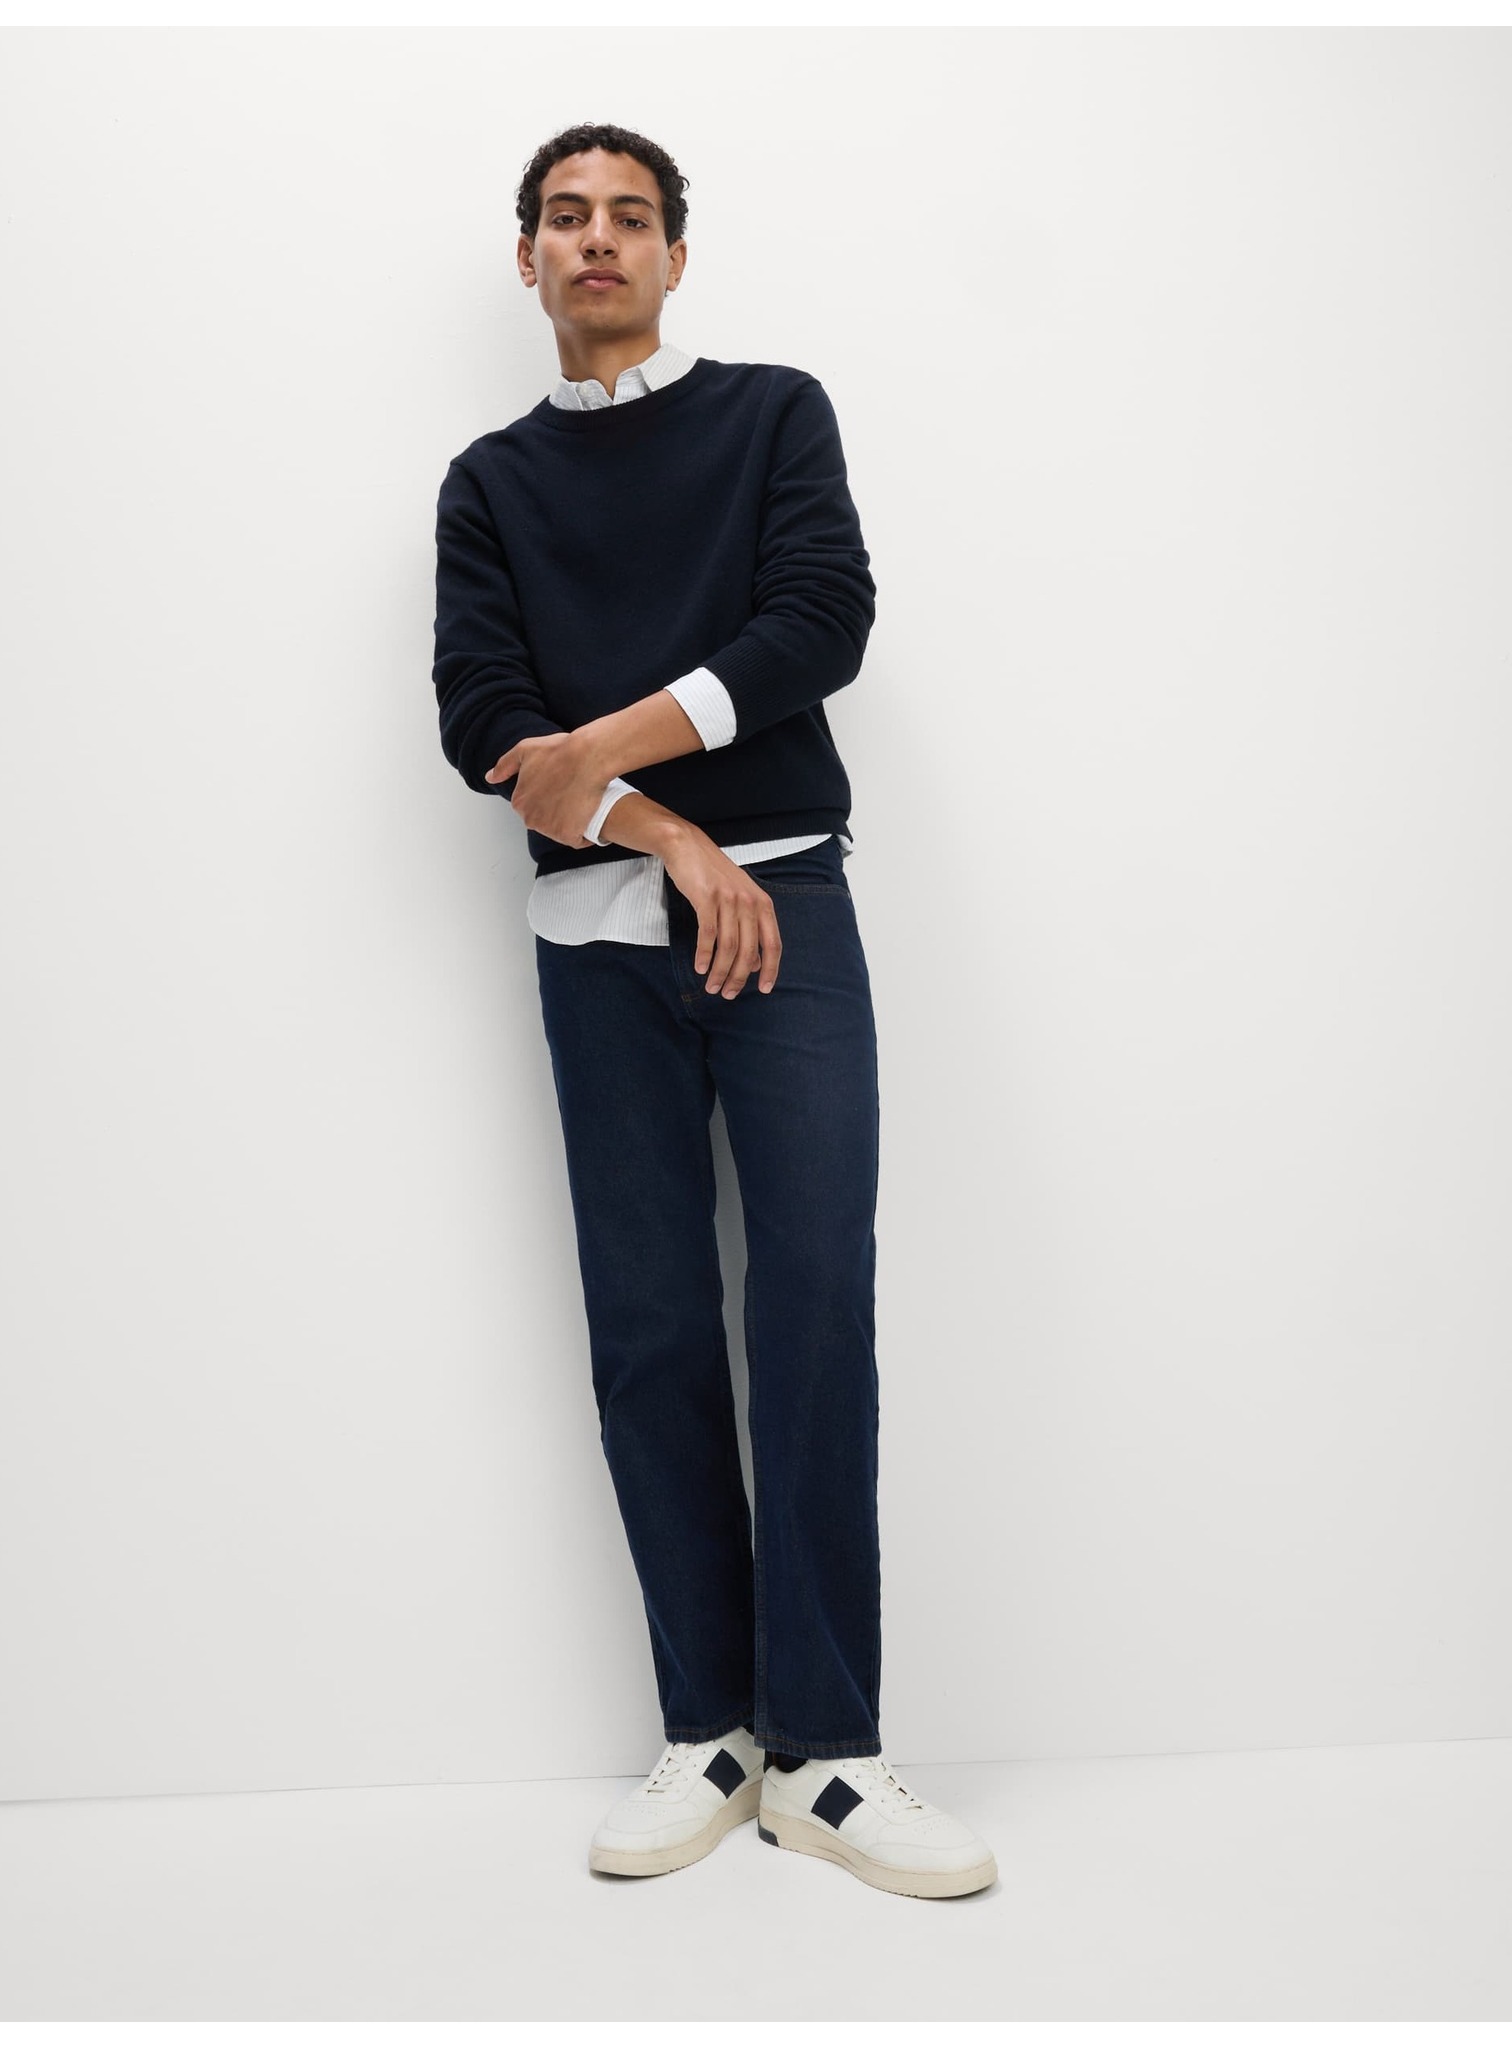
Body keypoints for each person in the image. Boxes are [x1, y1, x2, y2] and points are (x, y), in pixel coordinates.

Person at [432, 122, 996, 1901]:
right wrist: (668, 828)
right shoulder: (488, 484)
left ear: (677, 255)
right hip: (603, 930)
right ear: (526, 256)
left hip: (788, 913)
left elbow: (820, 622)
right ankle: (712, 1731)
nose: (597, 240)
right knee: (654, 1323)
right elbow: (483, 722)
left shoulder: (770, 416)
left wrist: (607, 747)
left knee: (815, 1301)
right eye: (565, 216)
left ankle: (828, 1751)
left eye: (631, 216)